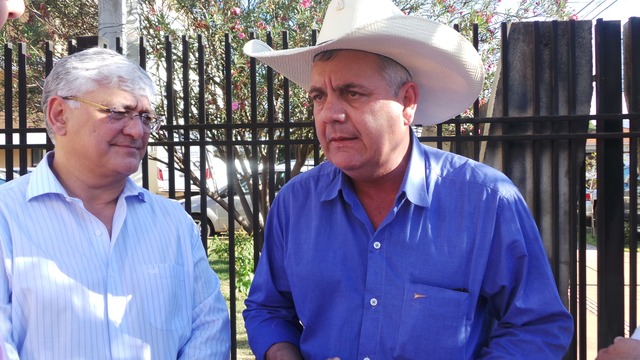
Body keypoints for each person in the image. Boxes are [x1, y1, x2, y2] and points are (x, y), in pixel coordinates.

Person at [242, 0, 574, 359]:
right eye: (319, 97)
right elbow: (269, 309)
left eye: (353, 93)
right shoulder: (295, 204)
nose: (330, 114)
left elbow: (536, 326)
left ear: (408, 102)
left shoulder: (486, 201)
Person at [0, 48, 230, 359]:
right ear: (59, 115)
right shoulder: (7, 217)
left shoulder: (173, 222)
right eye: (117, 112)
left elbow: (209, 327)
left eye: (146, 117)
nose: (137, 131)